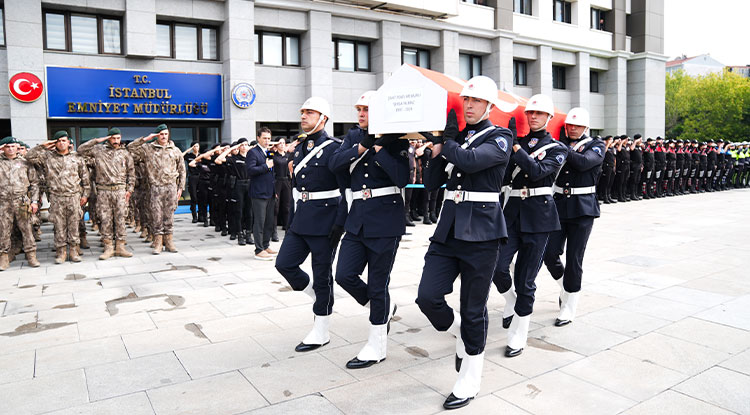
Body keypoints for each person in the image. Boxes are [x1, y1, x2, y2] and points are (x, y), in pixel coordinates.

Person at [415, 76, 512, 410]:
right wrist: (436, 152)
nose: (468, 105)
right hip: (448, 230)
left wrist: (450, 141)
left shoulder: (500, 137)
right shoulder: (458, 139)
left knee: (473, 310)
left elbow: (471, 162)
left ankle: (470, 376)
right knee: (427, 296)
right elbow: (431, 183)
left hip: (482, 233)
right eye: (465, 100)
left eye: (475, 101)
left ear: (488, 106)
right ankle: (460, 333)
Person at [329, 90, 408, 370]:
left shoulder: (397, 140)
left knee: (378, 284)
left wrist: (379, 149)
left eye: (367, 110)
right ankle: (384, 308)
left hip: (386, 219)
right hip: (357, 217)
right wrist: (362, 147)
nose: (361, 115)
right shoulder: (353, 137)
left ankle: (377, 346)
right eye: (359, 110)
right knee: (344, 274)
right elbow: (334, 163)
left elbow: (403, 177)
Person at [493, 93, 568, 357]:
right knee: (497, 266)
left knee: (526, 278)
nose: (533, 116)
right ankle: (511, 301)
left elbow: (537, 172)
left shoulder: (558, 148)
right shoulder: (516, 142)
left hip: (539, 217)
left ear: (548, 117)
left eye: (538, 113)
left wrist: (515, 148)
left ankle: (519, 332)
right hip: (512, 213)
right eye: (530, 113)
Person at [275, 96, 345, 353]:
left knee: (322, 274)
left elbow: (344, 189)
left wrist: (340, 223)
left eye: (310, 112)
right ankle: (321, 300)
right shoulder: (302, 147)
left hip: (326, 218)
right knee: (284, 264)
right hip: (302, 217)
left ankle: (321, 330)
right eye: (303, 112)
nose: (303, 116)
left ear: (323, 118)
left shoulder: (334, 147)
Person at [543, 108, 604, 326]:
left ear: (586, 127)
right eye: (569, 125)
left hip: (583, 208)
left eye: (577, 126)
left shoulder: (596, 145)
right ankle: (565, 288)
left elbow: (583, 162)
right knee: (549, 254)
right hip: (559, 205)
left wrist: (560, 146)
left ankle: (569, 305)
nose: (573, 129)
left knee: (574, 258)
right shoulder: (560, 144)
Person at [27, 131, 90, 264]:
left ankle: (73, 251)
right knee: (59, 226)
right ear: (54, 143)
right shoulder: (46, 157)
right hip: (56, 197)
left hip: (73, 196)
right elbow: (29, 157)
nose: (61, 143)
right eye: (58, 141)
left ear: (68, 142)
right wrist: (43, 146)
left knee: (74, 225)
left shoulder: (77, 157)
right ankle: (61, 252)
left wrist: (85, 195)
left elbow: (85, 178)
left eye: (64, 140)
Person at [77, 128, 136, 260]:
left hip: (120, 191)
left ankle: (120, 247)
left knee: (121, 219)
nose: (116, 141)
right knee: (105, 219)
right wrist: (97, 140)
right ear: (108, 138)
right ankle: (108, 247)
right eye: (113, 138)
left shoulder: (125, 153)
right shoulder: (99, 150)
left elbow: (131, 173)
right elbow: (81, 150)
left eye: (118, 138)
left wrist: (129, 190)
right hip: (103, 191)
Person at [127, 124, 186, 255]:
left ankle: (169, 241)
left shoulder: (175, 150)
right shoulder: (148, 149)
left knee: (169, 215)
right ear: (157, 135)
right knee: (156, 216)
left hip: (171, 187)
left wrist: (181, 187)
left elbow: (182, 170)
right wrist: (146, 139)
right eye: (161, 134)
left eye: (165, 134)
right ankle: (158, 242)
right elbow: (130, 147)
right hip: (155, 187)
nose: (164, 137)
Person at [0, 136, 40, 270]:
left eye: (13, 146)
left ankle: (31, 256)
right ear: (3, 148)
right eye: (7, 146)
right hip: (3, 202)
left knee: (27, 229)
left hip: (22, 201)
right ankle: (4, 257)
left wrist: (34, 201)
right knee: (4, 230)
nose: (11, 149)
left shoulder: (25, 162)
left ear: (17, 148)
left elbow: (34, 183)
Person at [247, 127, 277, 260]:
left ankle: (265, 245)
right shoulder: (253, 153)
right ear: (258, 138)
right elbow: (250, 170)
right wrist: (266, 166)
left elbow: (271, 173)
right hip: (258, 193)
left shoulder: (269, 152)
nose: (267, 141)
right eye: (264, 138)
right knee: (259, 221)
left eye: (269, 138)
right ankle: (258, 249)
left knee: (269, 221)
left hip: (270, 192)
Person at [217, 139, 253, 246]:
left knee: (249, 211)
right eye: (242, 145)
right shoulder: (234, 159)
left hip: (250, 184)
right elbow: (219, 159)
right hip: (239, 185)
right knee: (239, 211)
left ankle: (248, 234)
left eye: (246, 145)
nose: (244, 147)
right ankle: (240, 235)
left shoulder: (251, 158)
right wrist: (232, 148)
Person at [273, 138, 294, 241]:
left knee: (287, 207)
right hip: (276, 181)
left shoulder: (287, 156)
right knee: (275, 208)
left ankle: (287, 229)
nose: (281, 145)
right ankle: (274, 232)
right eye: (279, 143)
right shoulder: (272, 156)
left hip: (286, 182)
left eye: (283, 143)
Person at [183, 141, 201, 223]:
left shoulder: (201, 156)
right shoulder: (189, 156)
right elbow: (181, 156)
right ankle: (194, 216)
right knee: (193, 197)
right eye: (194, 146)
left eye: (197, 146)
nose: (196, 148)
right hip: (192, 177)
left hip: (201, 177)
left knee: (201, 197)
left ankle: (201, 215)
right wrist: (189, 149)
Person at [628, 135, 643, 200]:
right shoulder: (633, 145)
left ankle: (636, 194)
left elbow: (641, 157)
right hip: (634, 165)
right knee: (633, 180)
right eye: (640, 139)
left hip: (639, 165)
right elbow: (631, 149)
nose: (641, 141)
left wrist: (642, 165)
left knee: (637, 180)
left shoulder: (639, 147)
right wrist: (635, 141)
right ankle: (632, 194)